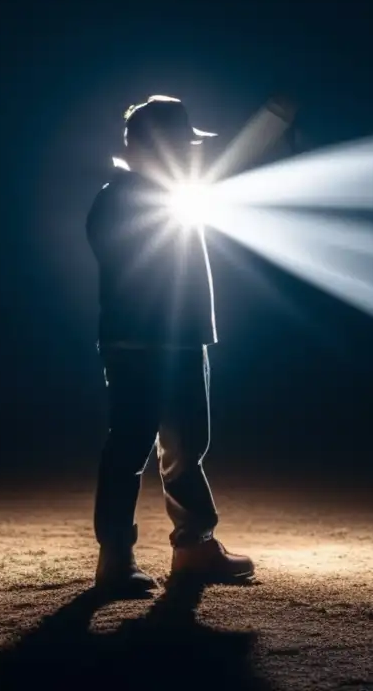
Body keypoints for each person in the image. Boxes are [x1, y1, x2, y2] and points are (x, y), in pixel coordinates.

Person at [85, 94, 255, 595]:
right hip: (143, 342)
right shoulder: (122, 197)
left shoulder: (163, 193)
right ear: (148, 146)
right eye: (179, 143)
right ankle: (116, 557)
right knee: (131, 445)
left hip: (178, 341)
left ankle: (193, 547)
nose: (187, 152)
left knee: (185, 446)